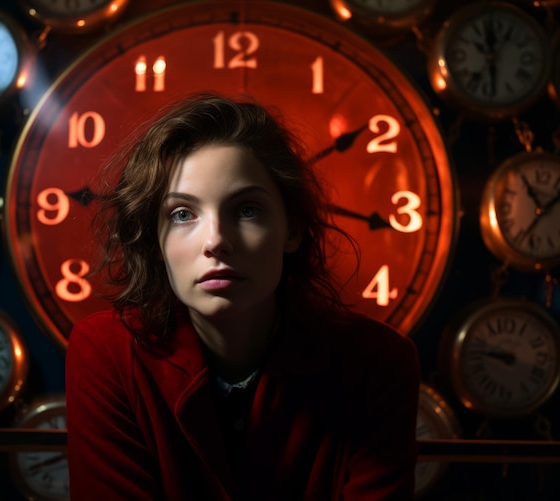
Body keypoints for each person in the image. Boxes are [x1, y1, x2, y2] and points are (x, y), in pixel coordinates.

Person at [65, 93, 420, 500]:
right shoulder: (107, 353)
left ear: (292, 229)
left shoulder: (377, 363)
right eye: (182, 214)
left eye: (247, 210)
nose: (216, 241)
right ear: (154, 240)